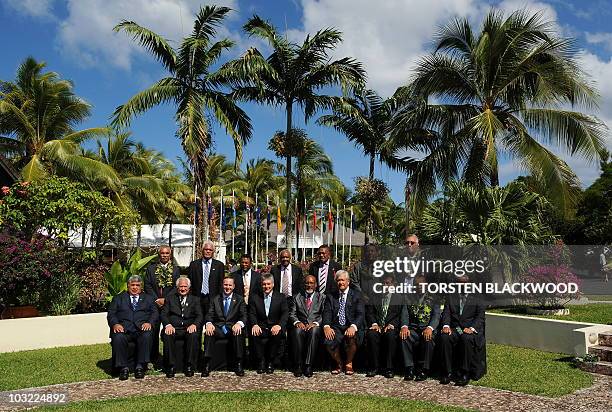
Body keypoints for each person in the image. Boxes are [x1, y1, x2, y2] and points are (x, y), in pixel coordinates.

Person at [107, 275, 158, 380]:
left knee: (147, 335)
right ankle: (123, 368)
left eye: (137, 285)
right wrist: (115, 324)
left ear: (141, 287)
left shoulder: (149, 299)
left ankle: (140, 366)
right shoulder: (118, 298)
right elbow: (111, 314)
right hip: (124, 328)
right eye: (132, 285)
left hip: (141, 329)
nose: (135, 287)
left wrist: (149, 323)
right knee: (118, 337)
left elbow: (155, 313)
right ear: (128, 286)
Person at [439, 274, 487, 386]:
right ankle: (448, 372)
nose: (462, 287)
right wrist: (446, 326)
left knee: (466, 338)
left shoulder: (477, 296)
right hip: (455, 329)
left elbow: (480, 316)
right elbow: (446, 312)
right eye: (459, 284)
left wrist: (472, 328)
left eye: (464, 284)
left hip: (470, 330)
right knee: (445, 337)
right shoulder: (451, 296)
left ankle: (464, 373)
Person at [202, 276, 247, 377]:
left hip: (233, 327)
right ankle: (207, 364)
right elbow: (209, 314)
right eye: (225, 284)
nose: (227, 287)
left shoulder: (239, 299)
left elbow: (244, 315)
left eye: (230, 285)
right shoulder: (215, 299)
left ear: (234, 286)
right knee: (209, 332)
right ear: (222, 285)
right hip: (218, 327)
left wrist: (239, 323)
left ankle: (239, 364)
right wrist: (208, 323)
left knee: (238, 332)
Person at [144, 245, 181, 368]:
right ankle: (152, 358)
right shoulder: (151, 269)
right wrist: (156, 299)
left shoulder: (175, 270)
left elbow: (176, 287)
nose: (164, 255)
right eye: (162, 253)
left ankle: (168, 358)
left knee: (168, 331)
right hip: (154, 305)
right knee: (153, 332)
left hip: (168, 306)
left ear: (170, 254)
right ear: (158, 254)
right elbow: (147, 285)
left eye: (167, 253)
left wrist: (165, 300)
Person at [322, 270, 365, 375]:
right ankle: (339, 363)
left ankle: (349, 363)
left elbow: (360, 314)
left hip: (351, 325)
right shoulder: (331, 296)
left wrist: (353, 326)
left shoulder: (357, 295)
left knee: (352, 337)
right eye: (338, 280)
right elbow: (327, 312)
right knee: (328, 339)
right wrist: (326, 326)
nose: (340, 282)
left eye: (342, 280)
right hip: (336, 326)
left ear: (348, 281)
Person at [400, 274, 441, 381]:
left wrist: (430, 328)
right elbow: (405, 313)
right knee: (404, 336)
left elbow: (436, 315)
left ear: (426, 284)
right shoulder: (408, 297)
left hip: (427, 328)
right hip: (413, 329)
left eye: (421, 284)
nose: (419, 286)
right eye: (416, 285)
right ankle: (409, 368)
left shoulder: (434, 297)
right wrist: (404, 326)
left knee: (428, 339)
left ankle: (424, 369)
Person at [161, 276, 202, 378]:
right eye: (180, 286)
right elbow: (164, 314)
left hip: (189, 328)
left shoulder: (195, 300)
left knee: (193, 335)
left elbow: (200, 315)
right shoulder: (170, 299)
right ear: (177, 287)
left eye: (185, 286)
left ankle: (189, 366)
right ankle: (171, 366)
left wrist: (194, 325)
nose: (183, 289)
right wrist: (168, 325)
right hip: (174, 327)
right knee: (167, 335)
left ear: (189, 287)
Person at [248, 274, 289, 374]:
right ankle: (261, 361)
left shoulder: (281, 297)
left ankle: (271, 361)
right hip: (260, 326)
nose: (266, 286)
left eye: (268, 284)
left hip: (274, 326)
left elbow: (285, 313)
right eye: (264, 284)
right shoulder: (254, 297)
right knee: (254, 333)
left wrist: (279, 325)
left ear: (273, 284)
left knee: (277, 334)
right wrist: (254, 324)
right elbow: (251, 313)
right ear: (261, 285)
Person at [365, 273, 402, 378]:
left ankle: (389, 368)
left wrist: (392, 324)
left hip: (391, 326)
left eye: (388, 283)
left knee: (390, 335)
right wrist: (374, 324)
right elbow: (370, 312)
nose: (385, 286)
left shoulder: (399, 298)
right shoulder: (374, 296)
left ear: (393, 285)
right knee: (372, 334)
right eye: (383, 283)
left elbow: (399, 315)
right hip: (378, 325)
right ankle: (374, 367)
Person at [289, 275, 324, 377]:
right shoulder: (297, 297)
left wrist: (316, 323)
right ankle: (298, 365)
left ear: (316, 285)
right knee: (297, 331)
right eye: (307, 283)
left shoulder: (322, 297)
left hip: (315, 326)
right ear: (304, 284)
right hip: (302, 325)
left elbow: (324, 314)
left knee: (314, 331)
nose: (309, 285)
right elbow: (292, 314)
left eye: (311, 283)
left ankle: (308, 365)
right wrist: (297, 322)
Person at [188, 241, 225, 318]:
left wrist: (219, 299)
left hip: (212, 300)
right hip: (197, 299)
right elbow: (190, 283)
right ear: (202, 250)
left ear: (213, 252)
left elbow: (221, 284)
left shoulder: (219, 265)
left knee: (211, 324)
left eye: (210, 250)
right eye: (206, 249)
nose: (208, 251)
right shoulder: (194, 265)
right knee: (197, 323)